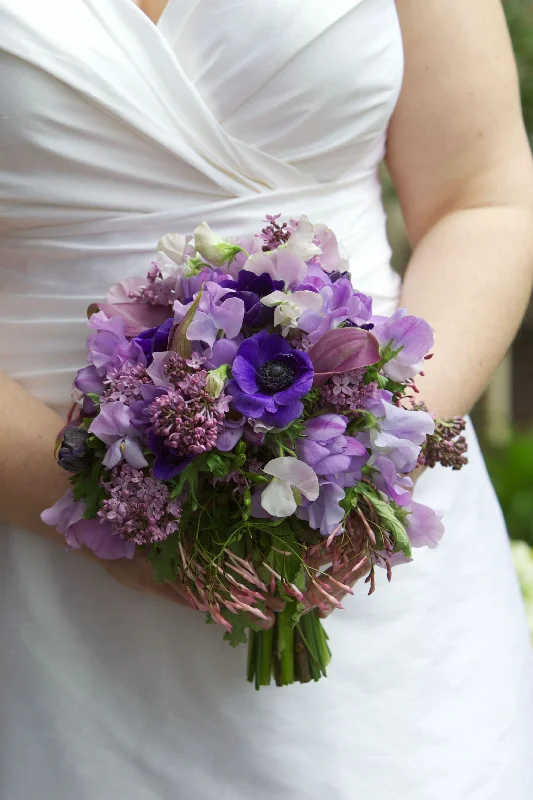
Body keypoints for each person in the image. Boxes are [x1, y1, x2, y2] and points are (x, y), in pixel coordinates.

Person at [1, 1, 533, 797]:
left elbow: (481, 199)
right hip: (42, 549)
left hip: (372, 546)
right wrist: (99, 511)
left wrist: (374, 444)